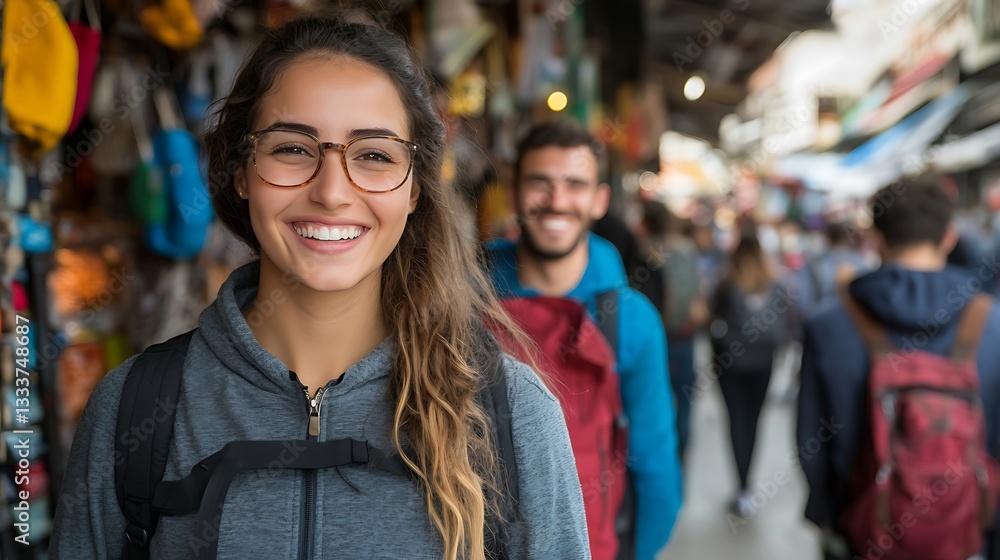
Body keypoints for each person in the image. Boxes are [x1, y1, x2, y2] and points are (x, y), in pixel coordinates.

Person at [50, 14, 590, 560]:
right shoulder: (134, 408)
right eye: (291, 148)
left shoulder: (510, 413)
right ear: (241, 171)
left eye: (374, 155)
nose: (332, 191)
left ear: (414, 190)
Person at [486, 120, 682, 560]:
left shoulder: (631, 323)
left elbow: (654, 466)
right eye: (540, 183)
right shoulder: (461, 299)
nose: (557, 201)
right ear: (514, 192)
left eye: (575, 185)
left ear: (599, 200)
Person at [797, 177, 1000, 559]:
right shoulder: (992, 325)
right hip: (965, 539)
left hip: (863, 534)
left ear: (875, 237)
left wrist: (832, 522)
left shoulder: (828, 326)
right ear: (949, 237)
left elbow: (812, 445)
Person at [708, 232, 789, 517]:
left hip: (730, 363)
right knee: (754, 422)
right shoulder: (775, 281)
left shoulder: (726, 281)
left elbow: (712, 320)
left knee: (736, 421)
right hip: (763, 362)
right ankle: (747, 485)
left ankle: (740, 484)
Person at [637, 199, 706, 463]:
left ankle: (663, 455)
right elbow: (697, 289)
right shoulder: (686, 248)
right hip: (684, 335)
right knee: (685, 399)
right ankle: (682, 454)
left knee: (656, 399)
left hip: (658, 337)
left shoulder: (647, 251)